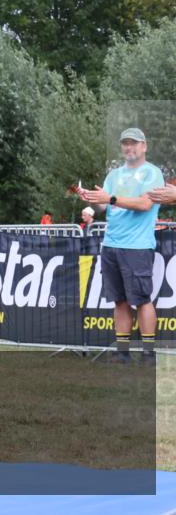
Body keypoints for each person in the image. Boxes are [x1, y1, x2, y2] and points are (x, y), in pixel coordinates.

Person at [78, 127, 165, 366]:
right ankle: (122, 351)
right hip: (111, 244)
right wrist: (92, 201)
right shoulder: (113, 175)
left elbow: (146, 204)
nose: (129, 147)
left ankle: (148, 353)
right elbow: (103, 208)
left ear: (144, 146)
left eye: (134, 143)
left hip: (137, 247)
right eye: (125, 143)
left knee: (142, 300)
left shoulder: (152, 173)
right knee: (119, 301)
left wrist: (111, 199)